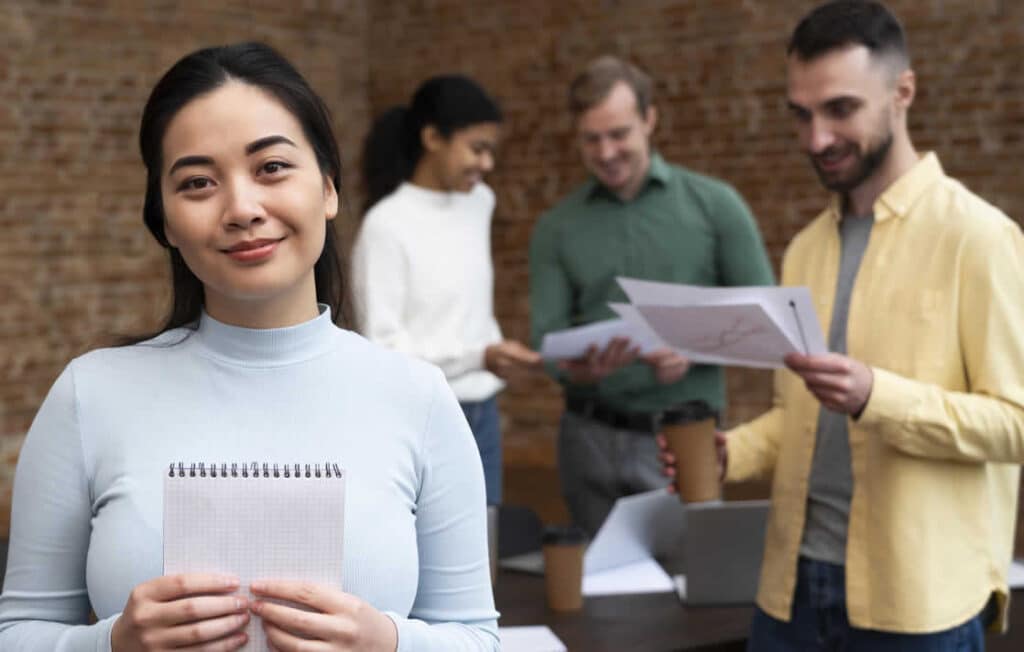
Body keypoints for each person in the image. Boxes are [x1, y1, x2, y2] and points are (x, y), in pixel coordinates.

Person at [0, 42, 499, 651]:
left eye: (271, 169)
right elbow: (17, 634)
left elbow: (478, 639)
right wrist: (111, 644)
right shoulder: (91, 394)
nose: (242, 209)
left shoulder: (417, 398)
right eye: (198, 182)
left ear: (329, 188)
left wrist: (388, 643)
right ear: (164, 222)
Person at [658, 2, 1024, 649]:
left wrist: (876, 397)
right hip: (787, 593)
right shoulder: (806, 247)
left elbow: (1014, 422)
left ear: (902, 92)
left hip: (915, 607)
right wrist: (732, 451)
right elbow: (799, 411)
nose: (816, 138)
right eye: (801, 114)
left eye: (840, 109)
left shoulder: (980, 238)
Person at [529, 55, 775, 537]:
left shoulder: (716, 205)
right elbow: (547, 338)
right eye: (591, 139)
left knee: (691, 587)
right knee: (599, 598)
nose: (606, 152)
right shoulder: (557, 227)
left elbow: (764, 319)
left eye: (619, 134)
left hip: (684, 435)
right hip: (588, 438)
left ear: (650, 120)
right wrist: (575, 367)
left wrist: (692, 348)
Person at [351, 75, 540, 508]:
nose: (487, 163)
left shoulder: (480, 203)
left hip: (484, 412)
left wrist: (493, 355)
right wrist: (480, 355)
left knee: (483, 549)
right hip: (421, 419)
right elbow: (383, 349)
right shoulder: (386, 225)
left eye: (492, 150)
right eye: (477, 148)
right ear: (433, 137)